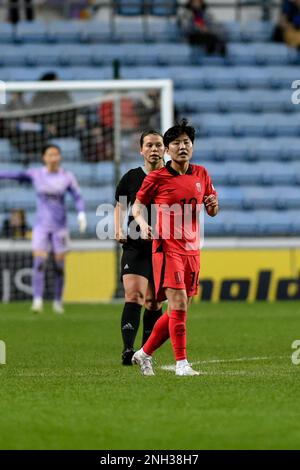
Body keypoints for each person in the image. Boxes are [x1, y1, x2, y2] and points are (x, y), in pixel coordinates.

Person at [131, 119, 218, 376]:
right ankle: (182, 364)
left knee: (178, 309)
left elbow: (212, 210)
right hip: (167, 248)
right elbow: (137, 206)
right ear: (167, 150)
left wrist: (212, 205)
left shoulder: (202, 173)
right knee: (178, 305)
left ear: (192, 146)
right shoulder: (157, 178)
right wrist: (142, 223)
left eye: (187, 142)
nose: (183, 147)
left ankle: (143, 353)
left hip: (192, 249)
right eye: (177, 143)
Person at [0, 144, 87, 313]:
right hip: (41, 226)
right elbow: (15, 174)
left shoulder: (67, 176)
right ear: (44, 157)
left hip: (60, 227)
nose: (53, 158)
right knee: (39, 263)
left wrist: (82, 213)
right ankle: (37, 300)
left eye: (56, 155)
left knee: (59, 266)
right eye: (50, 155)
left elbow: (77, 196)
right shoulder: (36, 174)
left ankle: (57, 301)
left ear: (60, 157)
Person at [114, 130, 165, 365]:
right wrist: (118, 228)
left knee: (154, 302)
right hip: (136, 245)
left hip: (164, 246)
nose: (154, 149)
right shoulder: (131, 177)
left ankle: (145, 352)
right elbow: (120, 206)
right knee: (133, 294)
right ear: (141, 150)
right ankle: (127, 349)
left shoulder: (172, 176)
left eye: (158, 145)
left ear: (165, 149)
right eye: (149, 145)